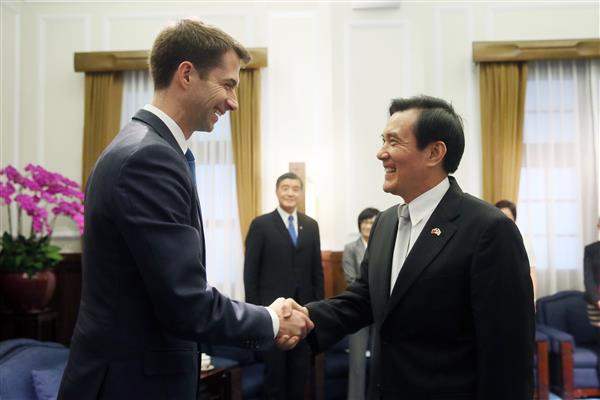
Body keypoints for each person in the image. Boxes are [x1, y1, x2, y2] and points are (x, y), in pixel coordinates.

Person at [58, 20, 311, 400]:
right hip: (131, 385)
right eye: (227, 84)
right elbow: (185, 302)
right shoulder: (148, 158)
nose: (233, 102)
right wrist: (271, 319)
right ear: (187, 74)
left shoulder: (147, 148)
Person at [300, 95, 534, 400]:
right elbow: (364, 299)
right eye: (383, 140)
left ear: (434, 152)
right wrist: (301, 318)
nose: (381, 153)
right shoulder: (385, 223)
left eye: (394, 142)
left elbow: (508, 356)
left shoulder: (489, 229)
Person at [244, 172, 324, 400]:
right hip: (272, 316)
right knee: (275, 379)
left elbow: (317, 271)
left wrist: (318, 308)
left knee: (300, 377)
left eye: (295, 189)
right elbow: (250, 273)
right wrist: (257, 314)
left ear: (301, 193)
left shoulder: (311, 225)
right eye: (285, 188)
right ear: (277, 191)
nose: (290, 193)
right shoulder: (260, 225)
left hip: (303, 315)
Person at [342, 207, 379, 400]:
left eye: (372, 222)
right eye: (365, 222)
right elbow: (351, 280)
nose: (368, 226)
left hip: (381, 311)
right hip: (358, 309)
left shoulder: (385, 245)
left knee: (380, 361)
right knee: (357, 363)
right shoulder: (350, 248)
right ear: (359, 224)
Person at [494, 199, 538, 299]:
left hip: (519, 295)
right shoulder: (487, 241)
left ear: (514, 220)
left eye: (507, 218)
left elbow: (531, 271)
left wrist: (533, 299)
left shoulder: (524, 241)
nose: (503, 222)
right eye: (499, 217)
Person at [584, 218, 600, 327]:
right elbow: (588, 278)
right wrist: (597, 300)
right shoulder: (590, 249)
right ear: (598, 226)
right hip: (596, 303)